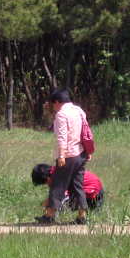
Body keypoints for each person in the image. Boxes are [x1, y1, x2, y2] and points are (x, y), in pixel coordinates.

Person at [37, 89, 89, 225]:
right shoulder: (79, 111)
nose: (53, 107)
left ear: (58, 102)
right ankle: (82, 216)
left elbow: (62, 137)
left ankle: (49, 216)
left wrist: (61, 156)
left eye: (53, 104)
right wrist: (88, 152)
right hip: (81, 154)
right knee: (78, 185)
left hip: (68, 155)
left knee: (57, 185)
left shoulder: (61, 114)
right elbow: (86, 132)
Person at [31, 163, 104, 211]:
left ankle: (50, 219)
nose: (47, 185)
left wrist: (47, 206)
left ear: (47, 178)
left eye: (45, 182)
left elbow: (61, 197)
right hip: (96, 191)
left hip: (93, 194)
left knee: (59, 205)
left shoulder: (58, 177)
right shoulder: (56, 171)